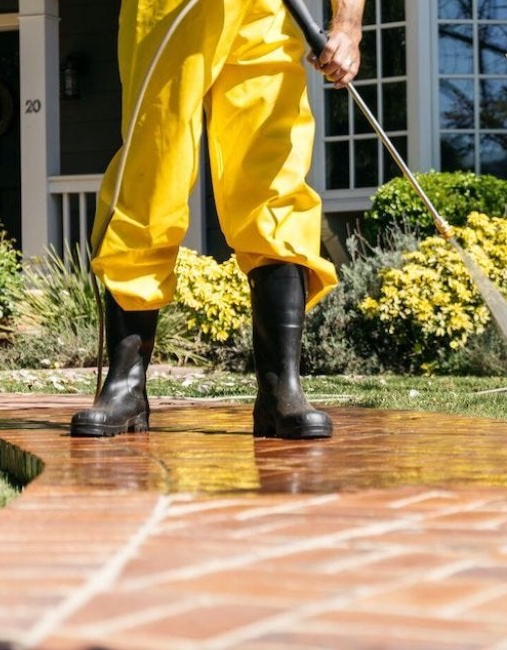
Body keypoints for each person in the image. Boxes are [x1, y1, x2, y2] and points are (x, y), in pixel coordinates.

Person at [70, 0, 365, 439]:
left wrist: (347, 25)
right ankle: (125, 387)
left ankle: (281, 389)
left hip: (268, 12)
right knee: (152, 174)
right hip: (168, 8)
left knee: (274, 183)